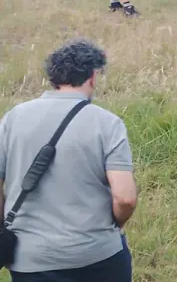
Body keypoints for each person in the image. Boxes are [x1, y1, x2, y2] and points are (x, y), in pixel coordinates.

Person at [0, 39, 137, 280]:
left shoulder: (12, 119)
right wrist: (114, 224)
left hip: (29, 258)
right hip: (97, 254)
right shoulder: (107, 123)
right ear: (93, 76)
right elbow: (125, 198)